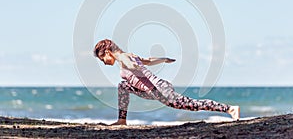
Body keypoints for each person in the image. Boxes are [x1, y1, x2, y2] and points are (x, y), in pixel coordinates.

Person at [94, 39, 240, 125]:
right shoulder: (129, 56)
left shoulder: (123, 58)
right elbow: (148, 61)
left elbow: (131, 64)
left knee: (192, 105)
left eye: (102, 59)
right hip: (150, 90)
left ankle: (229, 108)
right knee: (123, 86)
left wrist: (132, 65)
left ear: (107, 52)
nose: (104, 63)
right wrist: (164, 59)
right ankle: (122, 121)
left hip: (159, 89)